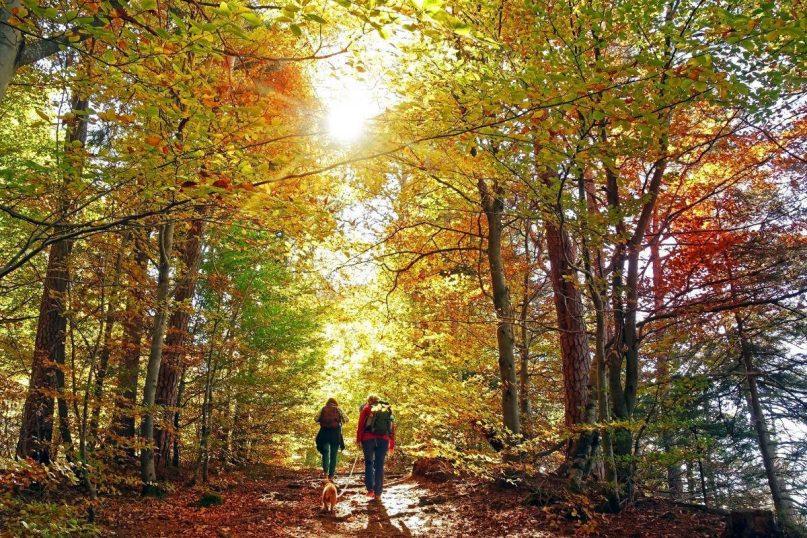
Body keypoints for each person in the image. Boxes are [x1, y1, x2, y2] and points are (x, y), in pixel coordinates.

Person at [356, 394, 395, 500]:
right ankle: (378, 493)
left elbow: (360, 425)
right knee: (379, 465)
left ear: (369, 401)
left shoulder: (366, 409)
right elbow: (392, 428)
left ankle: (370, 490)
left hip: (368, 439)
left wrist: (358, 440)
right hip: (383, 439)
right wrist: (392, 444)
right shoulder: (386, 409)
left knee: (369, 463)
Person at [315, 398, 347, 480]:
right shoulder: (338, 409)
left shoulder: (323, 408)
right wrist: (339, 421)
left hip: (324, 433)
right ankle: (331, 475)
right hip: (335, 434)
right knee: (333, 455)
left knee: (325, 453)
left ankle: (325, 473)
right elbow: (346, 419)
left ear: (327, 403)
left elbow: (315, 419)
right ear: (335, 403)